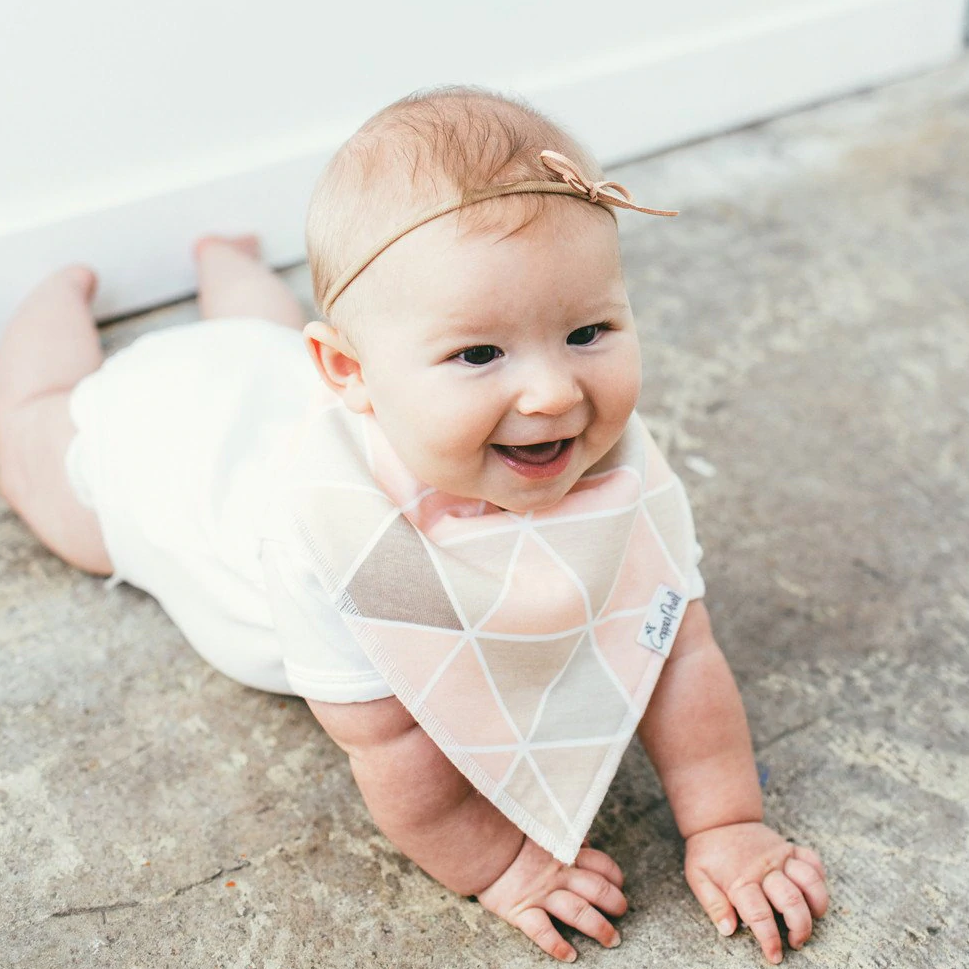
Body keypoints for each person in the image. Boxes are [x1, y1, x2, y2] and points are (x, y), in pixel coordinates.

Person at [0, 87, 828, 963]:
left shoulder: (618, 467)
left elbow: (678, 650)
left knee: (266, 335)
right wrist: (503, 863)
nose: (553, 393)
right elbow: (391, 739)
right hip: (179, 448)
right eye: (479, 353)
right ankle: (52, 305)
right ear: (349, 375)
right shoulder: (334, 533)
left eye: (587, 331)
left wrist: (728, 821)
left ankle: (227, 262)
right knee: (48, 468)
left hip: (281, 373)